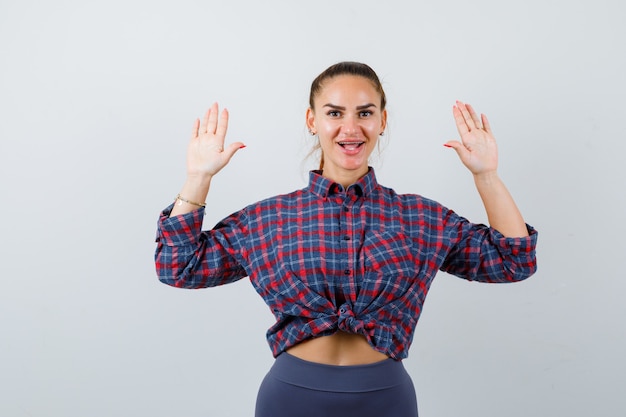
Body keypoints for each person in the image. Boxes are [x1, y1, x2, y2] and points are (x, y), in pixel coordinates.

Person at [154, 61, 538, 417]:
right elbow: (178, 267)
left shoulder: (420, 218)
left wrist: (486, 176)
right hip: (290, 396)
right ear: (312, 120)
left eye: (365, 113)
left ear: (382, 120)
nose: (350, 129)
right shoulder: (268, 218)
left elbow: (512, 261)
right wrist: (199, 177)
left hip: (386, 398)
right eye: (334, 113)